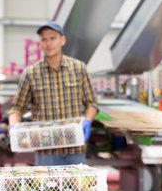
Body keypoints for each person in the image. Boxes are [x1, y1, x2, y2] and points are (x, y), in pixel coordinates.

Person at [8, 21, 98, 166]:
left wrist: (87, 120)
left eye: (53, 38)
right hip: (46, 151)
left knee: (76, 188)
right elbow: (17, 108)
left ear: (62, 40)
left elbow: (91, 103)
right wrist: (13, 126)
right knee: (47, 188)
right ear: (40, 43)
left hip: (74, 148)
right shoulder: (31, 74)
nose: (48, 43)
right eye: (44, 39)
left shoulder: (79, 69)